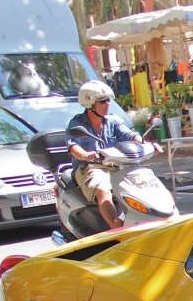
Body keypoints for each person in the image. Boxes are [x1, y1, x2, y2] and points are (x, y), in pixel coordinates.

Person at [67, 80, 159, 229]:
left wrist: (146, 143)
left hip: (116, 165)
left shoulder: (113, 120)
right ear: (89, 102)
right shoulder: (77, 124)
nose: (107, 104)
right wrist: (85, 155)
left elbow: (129, 134)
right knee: (102, 188)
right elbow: (73, 147)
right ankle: (115, 227)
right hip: (91, 167)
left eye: (108, 100)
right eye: (102, 101)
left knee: (145, 181)